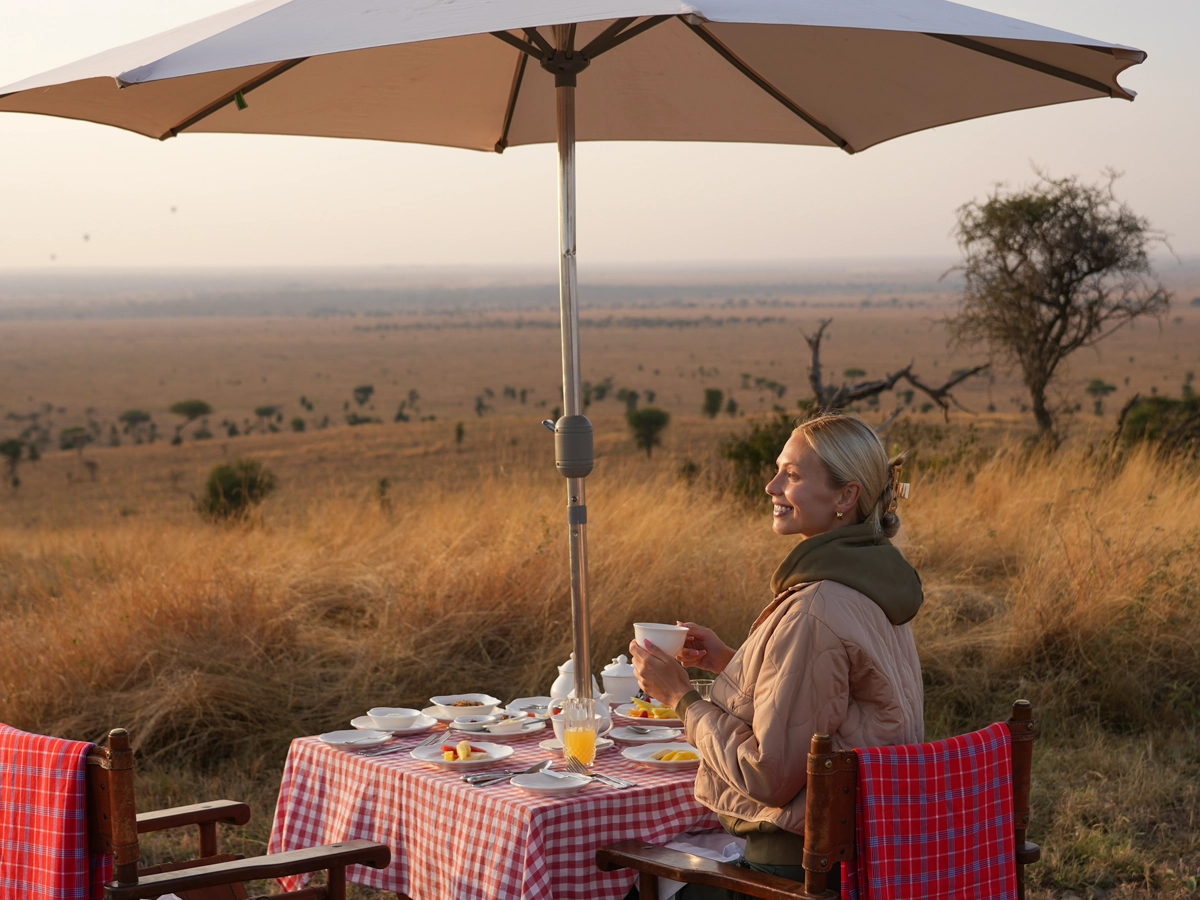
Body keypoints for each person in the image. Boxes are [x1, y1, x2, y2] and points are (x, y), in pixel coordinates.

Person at [629, 412, 924, 897]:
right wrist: (730, 662)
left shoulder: (815, 606)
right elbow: (836, 704)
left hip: (795, 872)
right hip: (866, 849)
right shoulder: (876, 585)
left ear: (845, 497)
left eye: (791, 475)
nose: (770, 486)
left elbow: (768, 776)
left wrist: (682, 698)